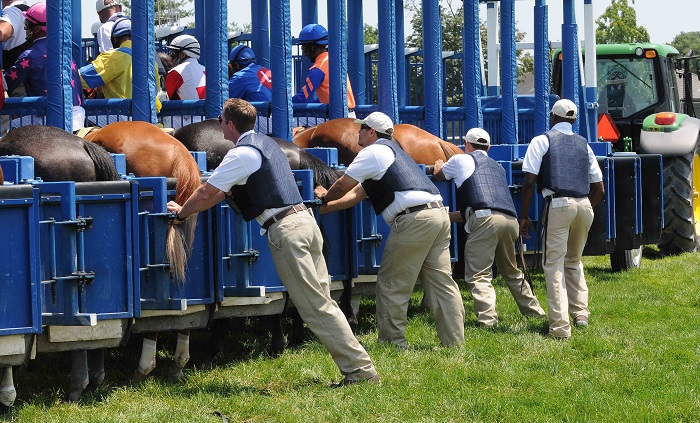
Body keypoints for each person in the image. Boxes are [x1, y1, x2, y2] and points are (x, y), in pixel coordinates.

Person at [166, 98, 380, 387]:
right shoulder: (266, 145)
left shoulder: (240, 154)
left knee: (315, 307)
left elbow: (207, 191)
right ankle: (359, 368)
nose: (219, 125)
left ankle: (360, 372)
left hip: (286, 230)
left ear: (229, 125)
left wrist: (182, 212)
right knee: (323, 302)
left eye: (220, 120)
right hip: (305, 223)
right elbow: (216, 194)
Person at [315, 111, 465, 349]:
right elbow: (356, 195)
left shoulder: (372, 152)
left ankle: (393, 343)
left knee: (391, 284)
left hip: (414, 221)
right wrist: (323, 210)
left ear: (372, 132)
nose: (358, 132)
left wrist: (324, 196)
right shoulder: (396, 155)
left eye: (362, 128)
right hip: (438, 215)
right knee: (442, 284)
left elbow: (344, 185)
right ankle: (454, 343)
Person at [433, 128, 545, 328]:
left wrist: (438, 167)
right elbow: (479, 207)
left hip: (485, 220)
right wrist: (447, 217)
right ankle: (535, 312)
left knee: (479, 274)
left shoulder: (460, 160)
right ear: (489, 147)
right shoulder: (498, 168)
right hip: (510, 220)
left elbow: (441, 176)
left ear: (466, 145)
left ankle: (487, 320)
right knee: (512, 272)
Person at [519, 99, 605, 339]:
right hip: (585, 204)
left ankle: (559, 327)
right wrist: (583, 207)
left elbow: (529, 181)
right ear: (574, 120)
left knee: (553, 265)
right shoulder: (584, 144)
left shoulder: (542, 140)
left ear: (553, 118)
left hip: (558, 203)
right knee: (574, 260)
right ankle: (581, 314)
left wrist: (524, 216)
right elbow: (599, 188)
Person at [3, 2, 84, 129]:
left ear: (37, 29)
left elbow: (7, 83)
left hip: (49, 118)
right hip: (78, 115)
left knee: (9, 128)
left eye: (27, 25)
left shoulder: (29, 55)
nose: (26, 29)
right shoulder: (66, 52)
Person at [79, 18, 161, 123]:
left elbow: (81, 78)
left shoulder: (115, 56)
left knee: (81, 118)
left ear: (115, 38)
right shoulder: (151, 61)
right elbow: (157, 89)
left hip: (123, 118)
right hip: (151, 119)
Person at [293, 23, 356, 118]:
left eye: (304, 48)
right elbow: (328, 98)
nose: (304, 53)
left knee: (286, 123)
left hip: (335, 118)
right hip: (350, 115)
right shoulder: (333, 61)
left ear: (312, 47)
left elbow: (302, 98)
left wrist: (278, 104)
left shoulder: (318, 68)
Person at [165, 34, 205, 101]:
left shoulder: (175, 72)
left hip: (188, 111)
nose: (170, 58)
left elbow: (165, 100)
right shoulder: (205, 69)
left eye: (172, 54)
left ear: (183, 55)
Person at [0, 0, 29, 71]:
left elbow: (2, 34)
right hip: (27, 75)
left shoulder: (12, 11)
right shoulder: (29, 11)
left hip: (12, 76)